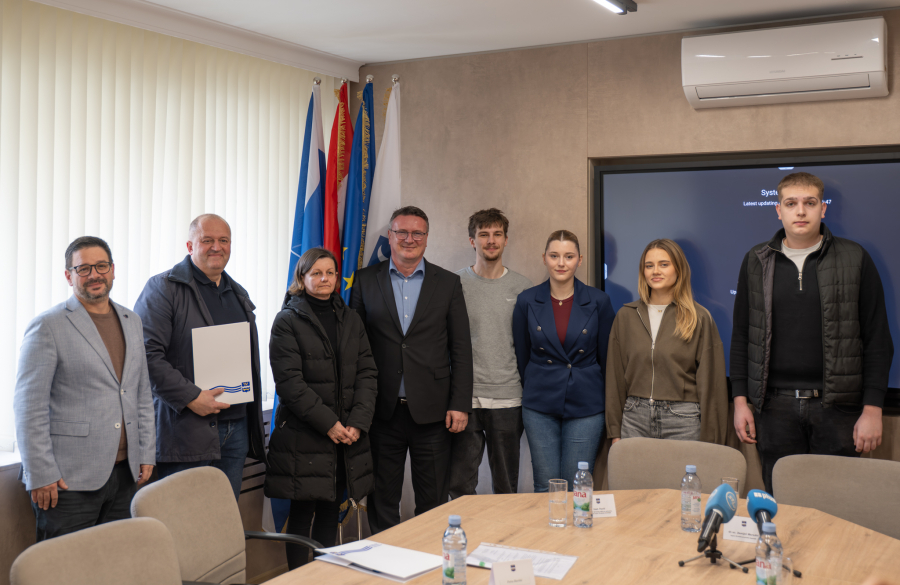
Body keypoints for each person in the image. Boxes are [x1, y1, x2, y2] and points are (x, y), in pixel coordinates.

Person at [731, 172, 893, 493]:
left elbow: (877, 339)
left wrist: (873, 409)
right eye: (791, 203)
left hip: (838, 410)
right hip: (774, 409)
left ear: (823, 208)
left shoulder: (854, 257)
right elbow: (741, 336)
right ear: (779, 210)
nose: (800, 211)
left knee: (838, 504)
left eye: (809, 203)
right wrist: (740, 402)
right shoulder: (756, 261)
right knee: (782, 503)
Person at [14, 236, 155, 541]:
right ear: (69, 276)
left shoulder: (132, 321)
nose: (94, 274)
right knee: (65, 570)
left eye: (101, 266)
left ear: (113, 270)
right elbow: (29, 407)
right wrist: (41, 473)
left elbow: (141, 393)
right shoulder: (48, 326)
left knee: (114, 564)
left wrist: (146, 452)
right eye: (83, 268)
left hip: (125, 475)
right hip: (67, 481)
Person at [350, 206, 473, 533]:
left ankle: (429, 566)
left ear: (427, 239)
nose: (409, 239)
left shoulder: (447, 283)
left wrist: (460, 403)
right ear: (390, 236)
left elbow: (460, 349)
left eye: (417, 233)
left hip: (433, 414)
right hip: (381, 412)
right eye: (401, 232)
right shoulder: (364, 281)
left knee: (432, 500)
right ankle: (386, 564)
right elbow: (353, 349)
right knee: (382, 499)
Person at [134, 214, 266, 500]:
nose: (216, 247)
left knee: (221, 526)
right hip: (187, 431)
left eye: (223, 241)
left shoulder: (237, 293)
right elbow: (146, 356)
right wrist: (192, 396)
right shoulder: (163, 288)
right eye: (207, 240)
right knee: (184, 526)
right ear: (190, 245)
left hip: (236, 428)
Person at [264, 248, 377, 568]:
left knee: (331, 513)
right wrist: (329, 423)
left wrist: (358, 421)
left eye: (330, 272)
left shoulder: (351, 318)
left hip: (347, 437)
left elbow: (368, 372)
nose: (324, 278)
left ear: (337, 278)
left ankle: (326, 577)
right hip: (306, 436)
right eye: (316, 273)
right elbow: (290, 384)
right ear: (302, 279)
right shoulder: (287, 321)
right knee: (301, 518)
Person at [513, 230, 615, 492]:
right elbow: (523, 355)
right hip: (539, 404)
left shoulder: (599, 301)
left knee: (577, 485)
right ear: (544, 258)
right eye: (554, 256)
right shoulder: (526, 300)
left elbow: (607, 358)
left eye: (568, 256)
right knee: (545, 485)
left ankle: (579, 534)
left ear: (579, 260)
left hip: (586, 405)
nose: (561, 263)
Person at [605, 239, 728, 445]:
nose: (655, 271)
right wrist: (615, 432)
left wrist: (711, 439)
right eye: (649, 265)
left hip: (683, 421)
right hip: (634, 419)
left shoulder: (700, 317)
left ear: (678, 269)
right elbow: (615, 379)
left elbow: (712, 385)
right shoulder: (626, 316)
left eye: (664, 264)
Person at [449, 209, 532, 498]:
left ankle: (502, 541)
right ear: (472, 240)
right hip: (464, 400)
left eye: (497, 234)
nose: (491, 240)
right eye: (483, 234)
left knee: (506, 486)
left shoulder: (523, 289)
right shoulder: (453, 285)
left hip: (509, 398)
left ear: (506, 240)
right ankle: (466, 540)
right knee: (459, 485)